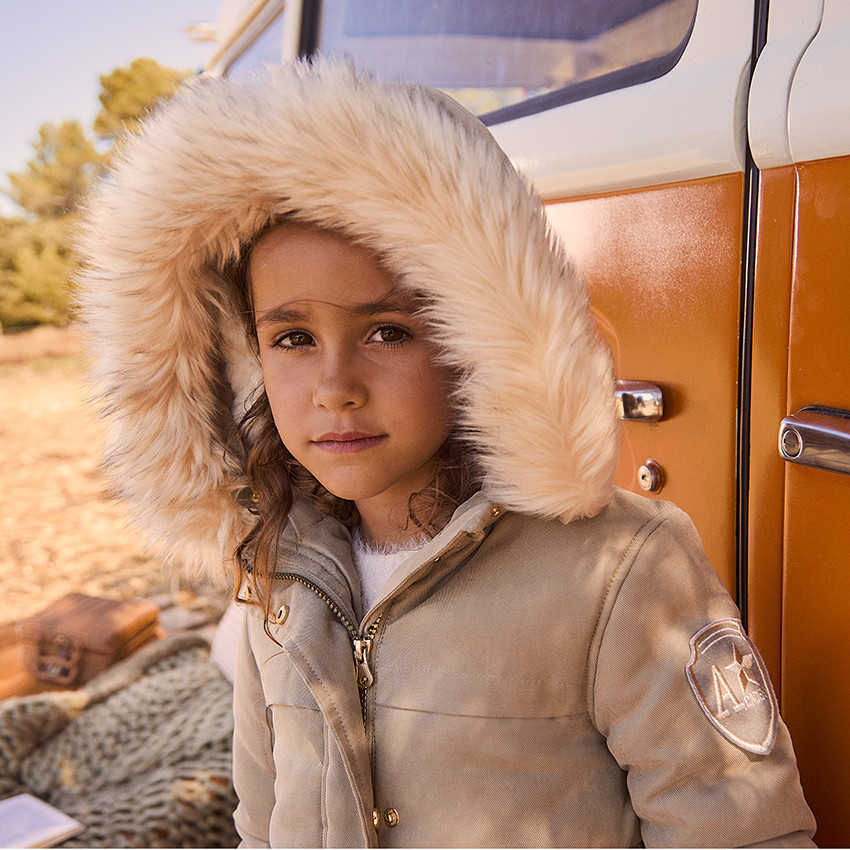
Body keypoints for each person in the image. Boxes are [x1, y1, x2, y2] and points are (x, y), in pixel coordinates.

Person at [78, 59, 816, 847]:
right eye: (292, 337)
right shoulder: (276, 571)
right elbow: (261, 820)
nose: (334, 386)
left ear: (480, 337)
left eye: (388, 331)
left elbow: (742, 831)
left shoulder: (621, 570)